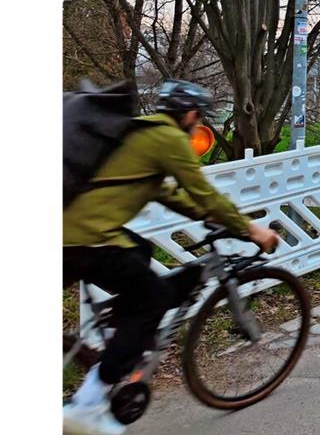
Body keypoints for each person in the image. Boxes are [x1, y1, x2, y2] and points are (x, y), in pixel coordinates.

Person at [63, 80, 279, 435]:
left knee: (141, 251)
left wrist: (206, 216)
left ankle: (124, 328)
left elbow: (166, 191)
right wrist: (251, 229)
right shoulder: (170, 139)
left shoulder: (142, 132)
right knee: (155, 298)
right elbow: (204, 191)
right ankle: (88, 406)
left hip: (75, 231)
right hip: (87, 239)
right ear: (192, 115)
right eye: (199, 118)